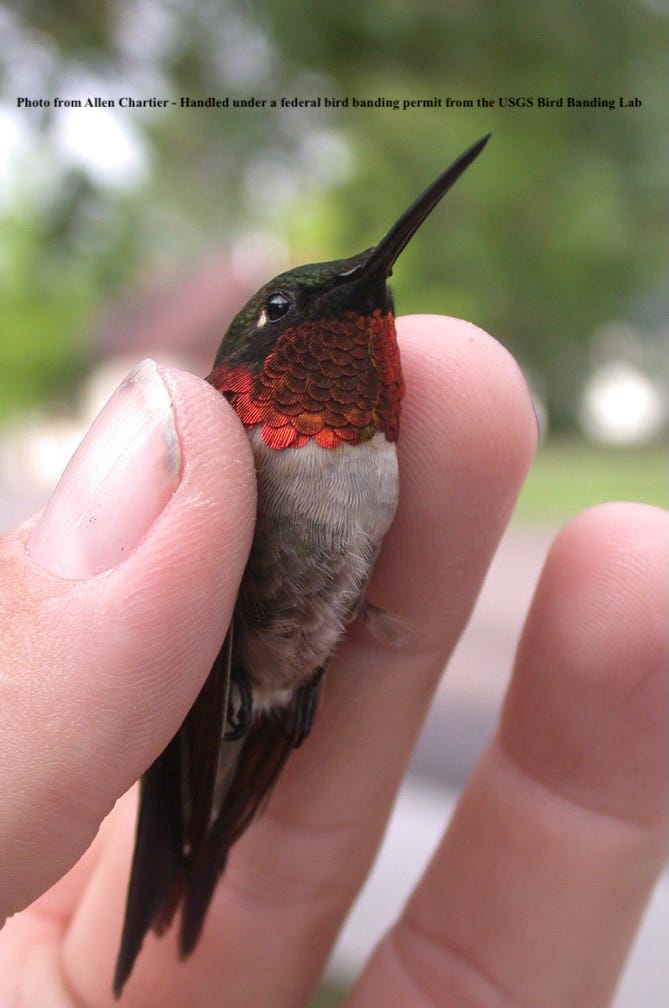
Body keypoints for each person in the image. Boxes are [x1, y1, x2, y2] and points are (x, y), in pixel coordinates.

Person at [0, 316, 666, 1007]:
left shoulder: (372, 452)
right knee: (184, 833)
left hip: (284, 679)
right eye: (289, 307)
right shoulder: (247, 446)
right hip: (236, 682)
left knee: (206, 842)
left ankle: (191, 864)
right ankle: (178, 874)